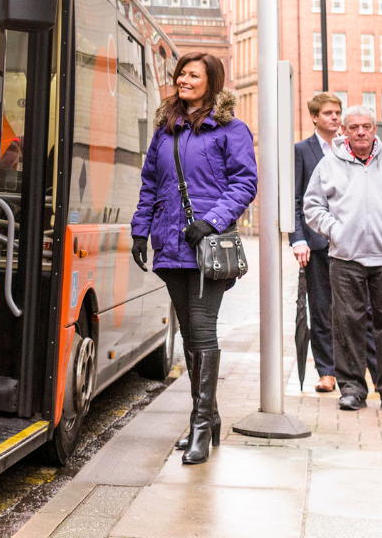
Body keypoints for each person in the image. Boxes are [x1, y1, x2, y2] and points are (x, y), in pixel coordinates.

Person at [131, 51, 257, 465]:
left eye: (193, 75)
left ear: (211, 82)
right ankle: (211, 418)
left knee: (202, 331)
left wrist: (214, 219)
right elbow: (150, 182)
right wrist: (139, 230)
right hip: (170, 245)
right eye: (181, 74)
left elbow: (244, 182)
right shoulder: (165, 131)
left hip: (206, 247)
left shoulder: (230, 129)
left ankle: (200, 427)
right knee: (187, 334)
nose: (183, 80)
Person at [303, 105, 382, 413]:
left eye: (367, 127)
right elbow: (312, 206)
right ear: (343, 131)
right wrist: (335, 231)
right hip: (345, 257)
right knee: (347, 324)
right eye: (354, 127)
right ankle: (353, 389)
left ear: (375, 130)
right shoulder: (328, 165)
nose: (361, 132)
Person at [292, 92, 365, 394]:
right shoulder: (302, 151)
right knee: (321, 309)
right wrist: (297, 239)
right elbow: (295, 200)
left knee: (352, 309)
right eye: (328, 114)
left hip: (351, 245)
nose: (335, 118)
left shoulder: (350, 149)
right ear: (314, 117)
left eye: (338, 113)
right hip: (316, 244)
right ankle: (327, 371)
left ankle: (354, 368)